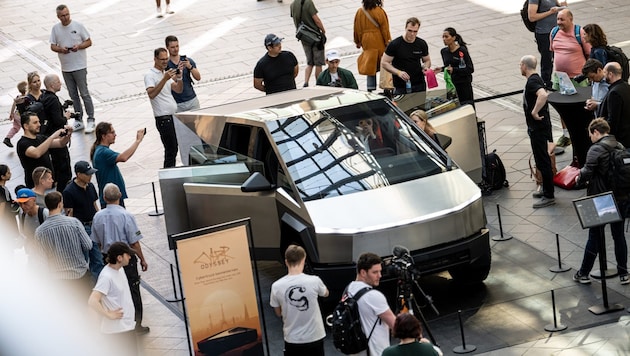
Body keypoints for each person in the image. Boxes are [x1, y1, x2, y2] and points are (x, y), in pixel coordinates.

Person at [573, 118, 628, 285]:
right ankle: (624, 274)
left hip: (602, 200)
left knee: (595, 236)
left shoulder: (596, 149)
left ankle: (583, 273)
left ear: (596, 132)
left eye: (590, 134)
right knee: (619, 236)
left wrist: (577, 178)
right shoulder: (619, 146)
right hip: (621, 198)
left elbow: (587, 172)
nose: (590, 137)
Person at [91, 183, 150, 334]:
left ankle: (118, 319)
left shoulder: (97, 216)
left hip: (108, 258)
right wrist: (142, 259)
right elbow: (134, 241)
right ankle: (136, 324)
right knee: (133, 290)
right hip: (126, 259)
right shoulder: (126, 215)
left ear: (104, 198)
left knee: (114, 294)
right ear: (120, 196)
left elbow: (96, 242)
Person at [270, 245, 329, 356]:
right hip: (315, 337)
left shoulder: (276, 286)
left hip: (292, 339)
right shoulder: (314, 281)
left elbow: (278, 313)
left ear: (286, 262)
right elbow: (325, 293)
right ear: (303, 260)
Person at [34, 191, 93, 298]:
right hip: (79, 274)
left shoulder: (40, 231)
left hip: (58, 280)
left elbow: (41, 261)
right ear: (60, 204)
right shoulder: (74, 223)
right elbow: (88, 245)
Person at [49, 4, 95, 133]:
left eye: (67, 14)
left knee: (84, 93)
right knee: (73, 95)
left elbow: (89, 41)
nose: (65, 17)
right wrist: (60, 49)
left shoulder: (78, 25)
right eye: (62, 16)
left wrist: (79, 46)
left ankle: (91, 119)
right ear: (58, 17)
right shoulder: (56, 29)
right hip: (66, 67)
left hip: (79, 65)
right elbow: (52, 46)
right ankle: (79, 119)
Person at [88, 242, 138, 355]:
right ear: (119, 258)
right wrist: (108, 314)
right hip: (118, 331)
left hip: (126, 326)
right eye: (127, 255)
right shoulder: (106, 277)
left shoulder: (120, 269)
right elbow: (92, 300)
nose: (130, 257)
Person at [550, 9, 591, 148]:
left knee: (582, 107)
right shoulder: (554, 32)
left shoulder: (580, 33)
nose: (559, 22)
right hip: (560, 78)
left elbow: (589, 53)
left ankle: (585, 132)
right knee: (563, 107)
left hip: (578, 78)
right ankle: (566, 134)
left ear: (570, 19)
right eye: (558, 19)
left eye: (562, 19)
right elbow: (553, 51)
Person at [520, 55, 555, 209]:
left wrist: (534, 112)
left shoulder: (533, 81)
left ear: (523, 66)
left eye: (520, 65)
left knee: (543, 161)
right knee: (541, 159)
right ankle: (547, 190)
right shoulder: (536, 78)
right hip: (540, 127)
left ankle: (549, 194)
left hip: (538, 128)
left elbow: (543, 95)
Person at [346, 252, 396, 356]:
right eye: (375, 272)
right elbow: (396, 326)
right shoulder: (373, 296)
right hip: (376, 352)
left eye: (380, 271)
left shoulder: (348, 289)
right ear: (363, 272)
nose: (380, 276)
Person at [63, 160, 104, 279]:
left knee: (98, 259)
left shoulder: (90, 186)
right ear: (79, 174)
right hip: (81, 228)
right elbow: (69, 213)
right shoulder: (69, 191)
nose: (90, 176)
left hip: (93, 225)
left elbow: (94, 204)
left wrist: (98, 222)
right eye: (88, 174)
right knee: (84, 259)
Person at [91, 122, 145, 208]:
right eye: (112, 133)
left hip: (113, 197)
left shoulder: (101, 150)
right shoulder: (103, 152)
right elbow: (123, 157)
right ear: (103, 136)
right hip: (111, 198)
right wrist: (138, 141)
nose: (115, 135)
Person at [145, 47, 183, 168]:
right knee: (171, 150)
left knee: (174, 148)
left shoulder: (164, 73)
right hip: (163, 118)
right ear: (155, 59)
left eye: (166, 59)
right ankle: (168, 173)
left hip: (172, 116)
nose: (165, 62)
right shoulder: (150, 75)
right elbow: (151, 94)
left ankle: (171, 171)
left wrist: (180, 77)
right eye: (162, 59)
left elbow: (178, 89)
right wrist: (164, 79)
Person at [16, 112, 71, 188]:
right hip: (35, 186)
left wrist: (68, 135)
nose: (39, 124)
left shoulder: (40, 138)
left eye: (38, 122)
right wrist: (52, 136)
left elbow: (60, 143)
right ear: (26, 126)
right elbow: (36, 153)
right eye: (35, 123)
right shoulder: (22, 143)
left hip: (49, 183)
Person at [381, 17, 431, 95]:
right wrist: (398, 72)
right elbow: (384, 62)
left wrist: (426, 67)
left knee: (420, 106)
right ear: (405, 28)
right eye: (410, 30)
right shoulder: (395, 44)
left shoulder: (421, 43)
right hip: (401, 86)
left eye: (415, 31)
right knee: (402, 107)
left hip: (419, 84)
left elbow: (427, 60)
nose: (412, 34)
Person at [41, 74, 72, 192]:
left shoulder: (44, 97)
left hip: (49, 136)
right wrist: (66, 117)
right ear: (52, 85)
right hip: (57, 136)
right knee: (63, 167)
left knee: (57, 165)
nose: (60, 83)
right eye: (58, 81)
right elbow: (57, 120)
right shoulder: (53, 99)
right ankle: (63, 193)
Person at [527, 0, 567, 88]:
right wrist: (550, 12)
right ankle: (546, 82)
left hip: (557, 31)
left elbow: (558, 7)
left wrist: (562, 6)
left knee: (560, 57)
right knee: (547, 60)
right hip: (544, 33)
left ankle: (562, 80)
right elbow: (532, 17)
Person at [353, 0, 391, 92]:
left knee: (370, 64)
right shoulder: (379, 11)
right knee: (384, 63)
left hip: (366, 42)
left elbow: (356, 28)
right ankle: (386, 87)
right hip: (379, 40)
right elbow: (385, 29)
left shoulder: (360, 12)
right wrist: (388, 41)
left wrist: (357, 41)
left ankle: (370, 88)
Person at [435, 27, 474, 107]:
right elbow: (448, 66)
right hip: (451, 84)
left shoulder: (462, 50)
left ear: (453, 38)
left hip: (463, 84)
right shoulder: (444, 52)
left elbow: (470, 69)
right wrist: (441, 69)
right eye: (443, 37)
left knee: (467, 106)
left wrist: (454, 70)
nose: (444, 39)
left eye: (446, 36)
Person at [290, 0, 326, 87]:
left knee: (310, 62)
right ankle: (319, 83)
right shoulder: (308, 3)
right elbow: (316, 20)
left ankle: (306, 82)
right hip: (315, 37)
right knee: (318, 63)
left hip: (304, 37)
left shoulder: (292, 5)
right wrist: (323, 30)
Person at [597, 62, 630, 148]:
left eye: (604, 72)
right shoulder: (626, 86)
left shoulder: (614, 93)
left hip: (621, 139)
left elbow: (613, 120)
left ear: (610, 74)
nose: (603, 75)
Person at [165, 35, 201, 112]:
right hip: (176, 103)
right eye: (172, 47)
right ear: (167, 48)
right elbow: (166, 83)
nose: (176, 49)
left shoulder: (187, 60)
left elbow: (198, 77)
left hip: (192, 100)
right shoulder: (166, 65)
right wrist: (177, 74)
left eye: (177, 46)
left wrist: (189, 67)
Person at [3, 81, 27, 148]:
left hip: (16, 114)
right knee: (27, 129)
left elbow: (14, 105)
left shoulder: (18, 97)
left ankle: (7, 138)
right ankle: (28, 140)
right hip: (21, 117)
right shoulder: (25, 98)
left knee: (15, 128)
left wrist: (11, 114)